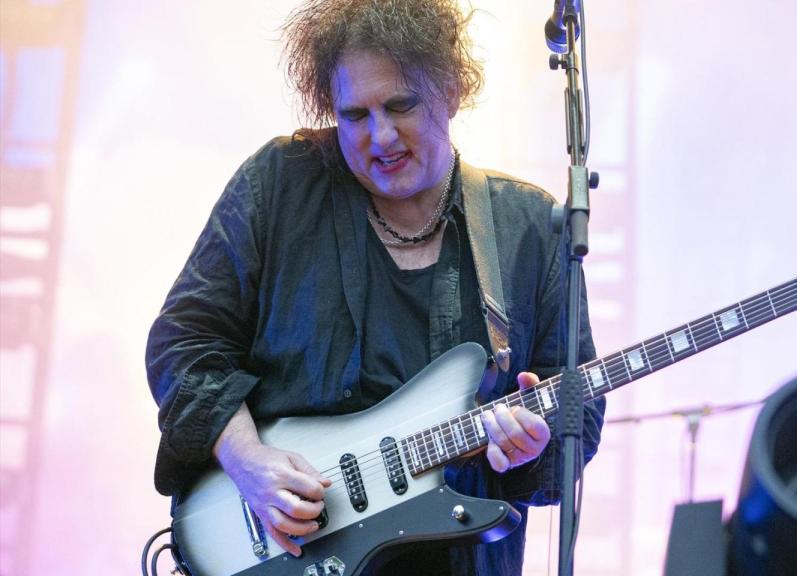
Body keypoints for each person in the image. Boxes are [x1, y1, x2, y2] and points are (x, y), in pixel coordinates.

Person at [145, 0, 605, 574]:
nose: (380, 135)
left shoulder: (530, 226)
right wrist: (249, 461)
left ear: (452, 90)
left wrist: (526, 450)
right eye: (354, 115)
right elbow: (184, 340)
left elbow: (574, 421)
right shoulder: (281, 183)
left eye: (401, 105)